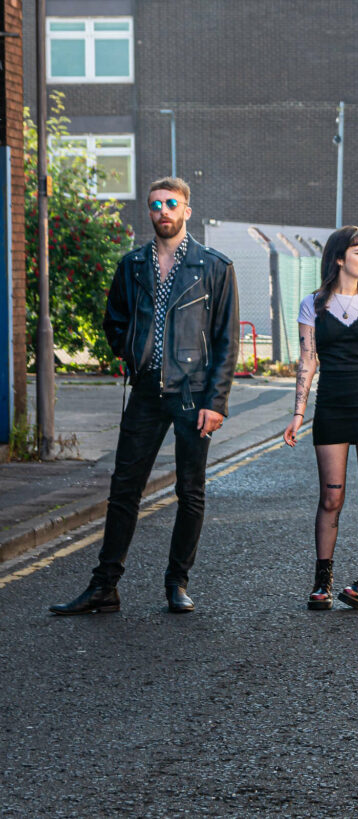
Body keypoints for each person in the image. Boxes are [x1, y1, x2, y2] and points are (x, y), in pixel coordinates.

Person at [50, 177, 239, 615]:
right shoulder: (132, 266)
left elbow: (226, 342)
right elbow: (114, 320)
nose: (164, 211)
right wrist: (132, 352)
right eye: (156, 205)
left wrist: (217, 401)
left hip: (193, 394)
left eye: (172, 203)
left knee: (189, 491)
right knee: (124, 489)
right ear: (149, 212)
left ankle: (177, 583)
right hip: (145, 390)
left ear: (187, 210)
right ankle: (104, 587)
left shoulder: (214, 266)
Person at [283, 227, 358, 610]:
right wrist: (298, 413)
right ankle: (323, 580)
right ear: (339, 258)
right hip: (332, 405)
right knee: (331, 498)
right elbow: (307, 361)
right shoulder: (312, 305)